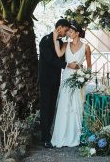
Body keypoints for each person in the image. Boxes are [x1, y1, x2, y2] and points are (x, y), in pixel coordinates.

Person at [51, 20, 92, 148]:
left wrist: (84, 78)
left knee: (77, 106)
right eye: (68, 31)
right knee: (64, 105)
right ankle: (62, 136)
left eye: (71, 31)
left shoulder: (86, 47)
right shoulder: (65, 44)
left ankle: (76, 135)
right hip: (67, 77)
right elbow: (58, 54)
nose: (69, 33)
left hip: (78, 78)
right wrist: (54, 38)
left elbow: (89, 67)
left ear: (77, 33)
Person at [38, 19, 76, 148]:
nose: (66, 33)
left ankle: (48, 133)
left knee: (51, 107)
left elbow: (61, 55)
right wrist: (67, 65)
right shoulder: (45, 40)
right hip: (45, 80)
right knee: (45, 108)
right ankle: (44, 137)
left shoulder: (59, 41)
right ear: (59, 28)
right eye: (65, 30)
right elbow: (50, 59)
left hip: (55, 80)